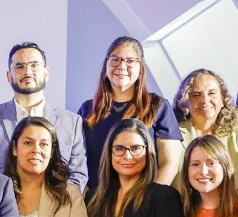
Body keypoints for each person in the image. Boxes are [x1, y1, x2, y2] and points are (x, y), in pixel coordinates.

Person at [0, 42, 90, 188]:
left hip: (57, 208)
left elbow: (78, 176)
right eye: (20, 66)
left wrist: (54, 205)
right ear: (9, 76)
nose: (27, 71)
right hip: (1, 209)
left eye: (34, 65)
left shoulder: (72, 122)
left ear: (46, 73)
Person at [78, 36, 182, 186]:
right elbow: (77, 160)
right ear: (105, 66)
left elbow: (169, 164)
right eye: (115, 59)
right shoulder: (88, 109)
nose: (121, 66)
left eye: (130, 61)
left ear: (141, 69)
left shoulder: (157, 106)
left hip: (144, 200)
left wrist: (150, 200)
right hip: (96, 202)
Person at [175, 68, 238, 201]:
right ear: (185, 101)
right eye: (196, 94)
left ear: (223, 98)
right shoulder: (173, 133)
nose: (205, 100)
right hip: (182, 212)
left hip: (233, 212)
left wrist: (229, 211)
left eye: (212, 93)